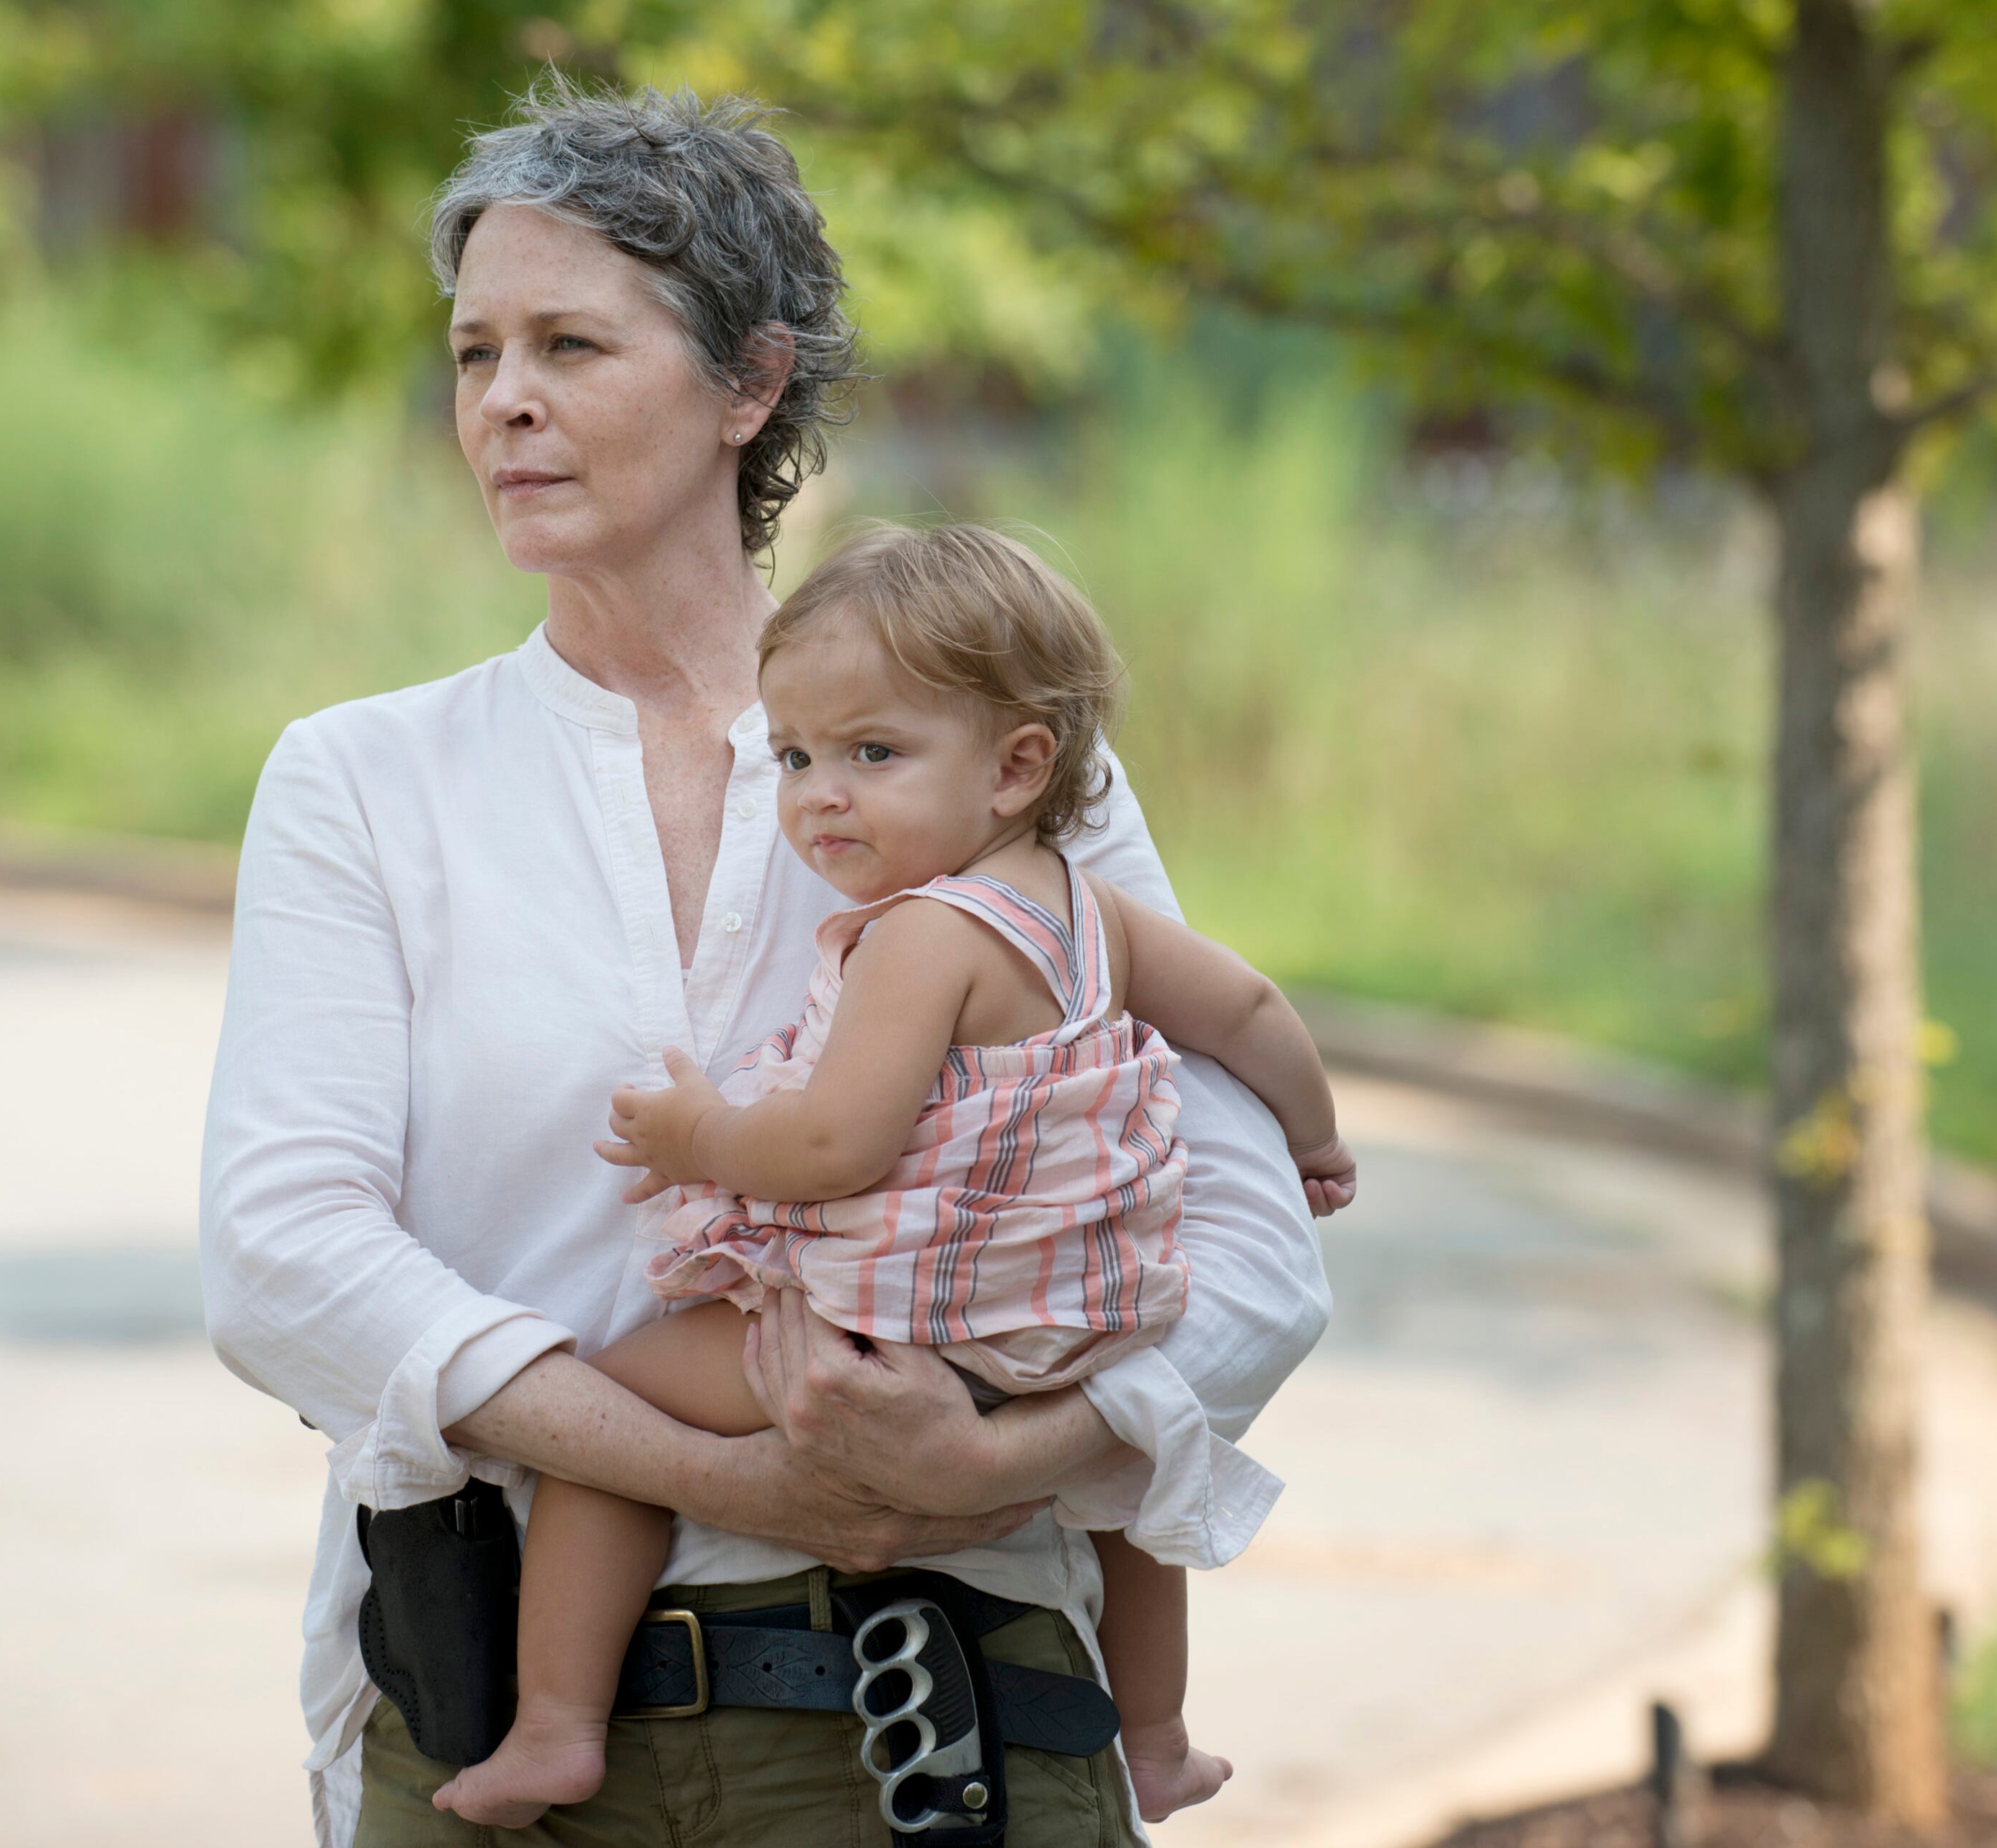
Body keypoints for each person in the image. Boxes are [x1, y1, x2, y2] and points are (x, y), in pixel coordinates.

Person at [200, 79, 1332, 1848]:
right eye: (475, 350)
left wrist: (992, 1461)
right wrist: (732, 1473)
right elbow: (284, 1257)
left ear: (750, 383)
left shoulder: (982, 771)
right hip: (485, 1739)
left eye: (571, 344)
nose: (503, 399)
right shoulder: (361, 780)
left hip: (935, 1730)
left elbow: (1253, 1251)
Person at [430, 523, 1359, 1829]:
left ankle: (555, 1728)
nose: (821, 795)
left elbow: (834, 1147)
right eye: (795, 757)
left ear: (1017, 766)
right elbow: (1250, 1010)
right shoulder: (1092, 914)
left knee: (611, 1420)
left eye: (873, 754)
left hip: (905, 1327)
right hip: (1078, 1321)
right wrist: (1314, 1139)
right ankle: (1154, 1738)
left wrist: (698, 1135)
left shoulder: (924, 938)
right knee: (1125, 1481)